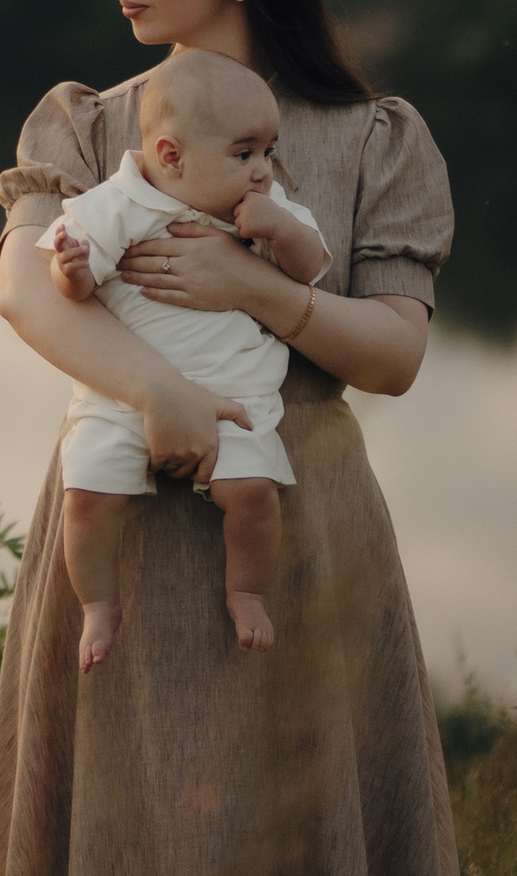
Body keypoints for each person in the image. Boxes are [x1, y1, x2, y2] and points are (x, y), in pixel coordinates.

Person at [0, 0, 458, 876]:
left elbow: (392, 355)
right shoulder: (87, 126)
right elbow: (24, 290)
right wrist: (162, 394)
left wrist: (252, 287)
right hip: (125, 523)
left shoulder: (373, 136)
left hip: (303, 523)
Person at [42, 50, 329, 667]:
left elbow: (311, 273)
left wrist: (279, 231)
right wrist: (70, 273)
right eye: (244, 153)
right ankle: (98, 603)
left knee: (253, 493)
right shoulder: (117, 204)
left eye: (268, 152)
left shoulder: (269, 214)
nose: (262, 171)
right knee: (86, 498)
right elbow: (77, 290)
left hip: (237, 402)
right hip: (122, 399)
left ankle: (246, 590)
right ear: (171, 156)